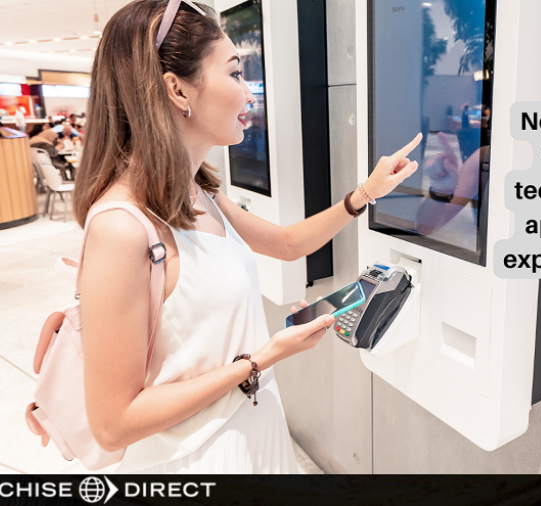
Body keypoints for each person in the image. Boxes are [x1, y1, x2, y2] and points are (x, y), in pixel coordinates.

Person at [72, 0, 421, 474]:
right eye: (235, 74)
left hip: (254, 428)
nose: (249, 95)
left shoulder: (195, 191)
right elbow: (113, 424)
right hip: (199, 458)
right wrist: (259, 360)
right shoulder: (120, 226)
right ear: (177, 89)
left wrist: (365, 194)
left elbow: (287, 244)